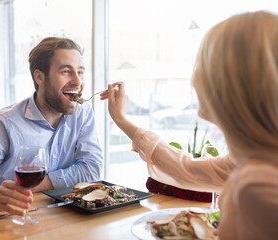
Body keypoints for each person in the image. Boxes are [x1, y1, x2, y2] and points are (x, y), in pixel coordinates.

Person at [102, 11, 278, 240]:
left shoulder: (257, 188)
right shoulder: (252, 160)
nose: (195, 78)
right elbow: (187, 169)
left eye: (203, 65)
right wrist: (122, 120)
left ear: (234, 84)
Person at [0, 37, 103, 216]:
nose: (77, 82)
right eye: (66, 71)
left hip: (62, 218)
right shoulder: (3, 123)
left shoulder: (83, 114)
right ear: (40, 77)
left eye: (80, 72)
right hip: (8, 221)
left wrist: (35, 187)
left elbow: (92, 168)